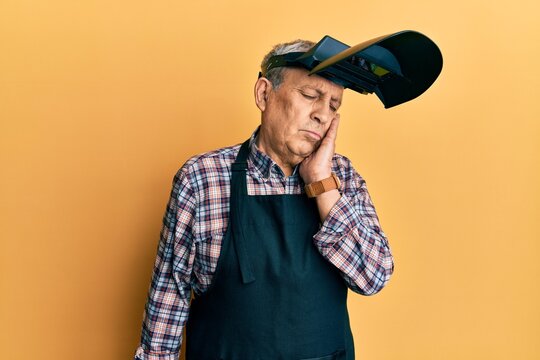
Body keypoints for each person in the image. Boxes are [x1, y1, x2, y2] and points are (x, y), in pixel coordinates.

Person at [134, 38, 394, 360]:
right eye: (310, 95)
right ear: (264, 94)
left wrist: (321, 183)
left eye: (333, 105)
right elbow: (166, 310)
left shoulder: (342, 178)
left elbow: (373, 276)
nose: (322, 115)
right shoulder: (202, 180)